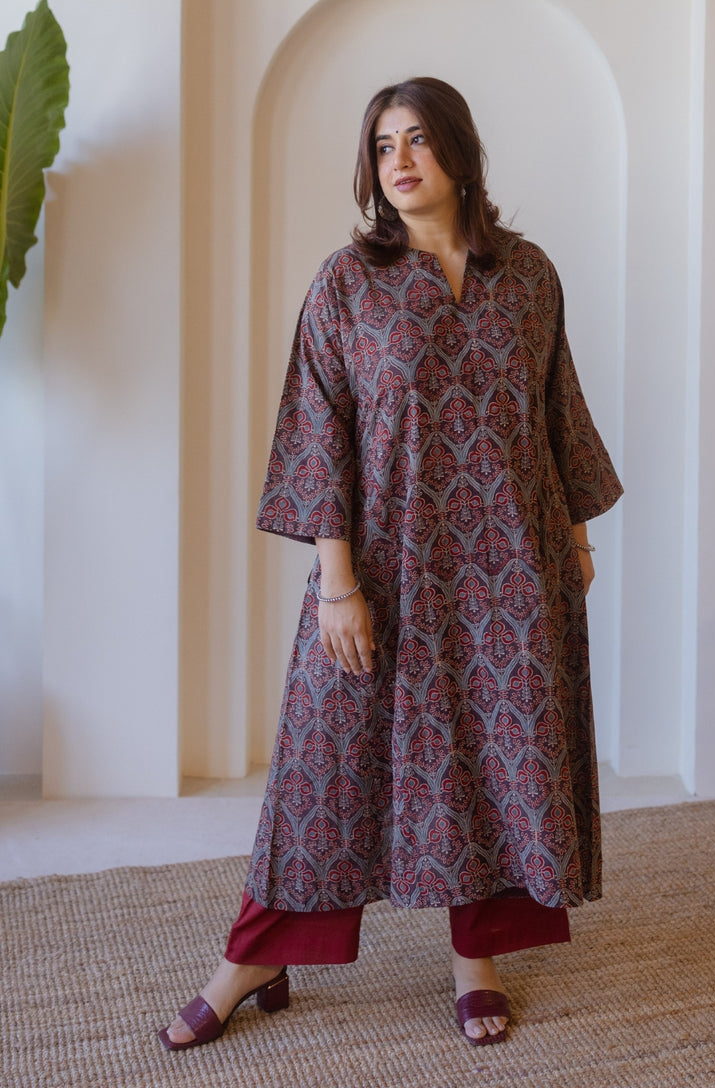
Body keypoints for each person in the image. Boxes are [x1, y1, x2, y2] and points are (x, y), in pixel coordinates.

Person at [159, 76, 622, 1051]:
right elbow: (317, 427)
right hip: (383, 569)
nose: (398, 161)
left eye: (416, 139)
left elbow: (557, 409)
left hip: (511, 574)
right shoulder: (348, 282)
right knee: (324, 766)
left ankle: (475, 960)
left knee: (497, 759)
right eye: (381, 146)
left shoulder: (527, 276)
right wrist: (337, 583)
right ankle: (254, 957)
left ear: (460, 152)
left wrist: (577, 538)